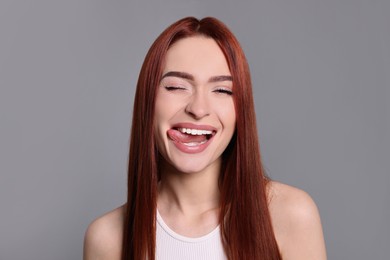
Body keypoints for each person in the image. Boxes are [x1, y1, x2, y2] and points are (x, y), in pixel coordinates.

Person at [83, 17, 326, 260]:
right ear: (147, 100)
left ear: (241, 110)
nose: (198, 109)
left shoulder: (290, 214)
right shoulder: (108, 238)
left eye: (221, 90)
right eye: (177, 86)